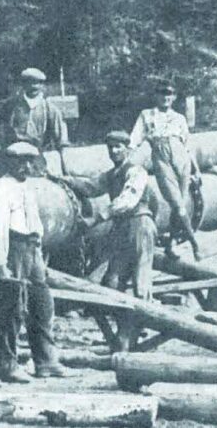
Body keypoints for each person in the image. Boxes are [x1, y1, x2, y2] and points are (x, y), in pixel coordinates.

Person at [55, 131, 158, 351]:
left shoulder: (136, 172)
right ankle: (124, 335)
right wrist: (64, 180)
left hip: (140, 225)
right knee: (113, 282)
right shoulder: (112, 175)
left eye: (118, 147)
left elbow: (127, 201)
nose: (113, 151)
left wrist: (98, 218)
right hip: (121, 229)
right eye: (110, 147)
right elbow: (90, 187)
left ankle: (142, 330)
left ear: (128, 148)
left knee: (141, 283)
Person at [0, 142, 67, 383]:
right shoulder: (0, 188)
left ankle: (45, 361)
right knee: (12, 308)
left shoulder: (28, 187)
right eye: (21, 161)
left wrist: (39, 247)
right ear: (9, 162)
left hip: (32, 248)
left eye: (31, 161)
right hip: (14, 247)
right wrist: (0, 263)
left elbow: (34, 220)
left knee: (42, 304)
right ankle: (8, 365)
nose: (27, 166)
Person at [129, 82, 202, 260]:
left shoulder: (179, 118)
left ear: (174, 97)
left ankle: (171, 244)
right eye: (162, 93)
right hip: (161, 157)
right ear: (156, 95)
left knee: (181, 204)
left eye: (169, 94)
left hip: (181, 158)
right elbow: (134, 139)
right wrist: (129, 160)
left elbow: (187, 145)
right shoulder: (146, 115)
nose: (165, 97)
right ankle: (194, 243)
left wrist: (196, 169)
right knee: (177, 203)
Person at [2, 67, 69, 152]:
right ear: (23, 84)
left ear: (42, 85)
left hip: (40, 154)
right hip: (13, 154)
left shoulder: (50, 109)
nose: (33, 86)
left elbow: (61, 139)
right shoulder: (11, 106)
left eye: (37, 83)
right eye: (29, 82)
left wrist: (63, 158)